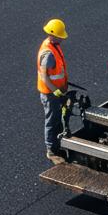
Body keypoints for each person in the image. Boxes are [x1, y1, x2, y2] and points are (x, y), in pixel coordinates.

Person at [37, 18, 69, 162]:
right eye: (60, 36)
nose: (62, 39)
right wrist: (55, 90)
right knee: (52, 120)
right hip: (50, 94)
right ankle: (51, 150)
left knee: (58, 118)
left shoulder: (53, 45)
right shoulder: (48, 53)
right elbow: (44, 76)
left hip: (56, 91)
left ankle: (58, 144)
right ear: (52, 35)